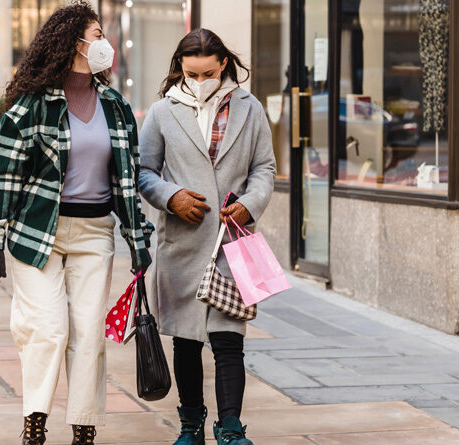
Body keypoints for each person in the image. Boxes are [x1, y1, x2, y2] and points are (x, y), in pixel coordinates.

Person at [0, 2, 153, 444]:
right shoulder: (31, 107)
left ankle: (84, 429)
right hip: (38, 233)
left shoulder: (116, 107)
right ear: (72, 42)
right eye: (96, 35)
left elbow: (127, 181)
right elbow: (5, 176)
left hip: (95, 235)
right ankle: (34, 422)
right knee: (48, 331)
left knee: (88, 335)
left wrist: (138, 241)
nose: (104, 43)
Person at [138, 28, 276, 445]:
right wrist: (171, 196)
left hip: (232, 243)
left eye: (208, 73)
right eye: (192, 73)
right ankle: (191, 425)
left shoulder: (250, 110)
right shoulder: (162, 112)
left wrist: (251, 203)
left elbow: (265, 168)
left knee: (229, 339)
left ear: (224, 67)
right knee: (186, 340)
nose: (200, 81)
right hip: (183, 242)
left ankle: (231, 427)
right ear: (180, 68)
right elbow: (144, 171)